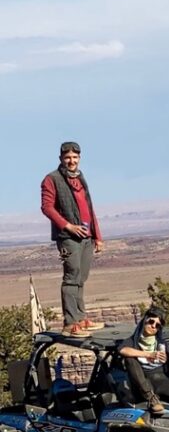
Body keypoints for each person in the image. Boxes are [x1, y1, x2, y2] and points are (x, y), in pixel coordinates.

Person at [41, 141, 105, 337]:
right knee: (71, 277)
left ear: (79, 158)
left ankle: (81, 319)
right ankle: (70, 323)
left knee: (80, 278)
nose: (71, 161)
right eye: (68, 157)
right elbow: (47, 207)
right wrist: (67, 226)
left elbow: (89, 207)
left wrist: (98, 236)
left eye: (75, 157)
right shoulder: (51, 179)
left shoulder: (80, 177)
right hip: (68, 237)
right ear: (61, 158)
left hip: (86, 236)